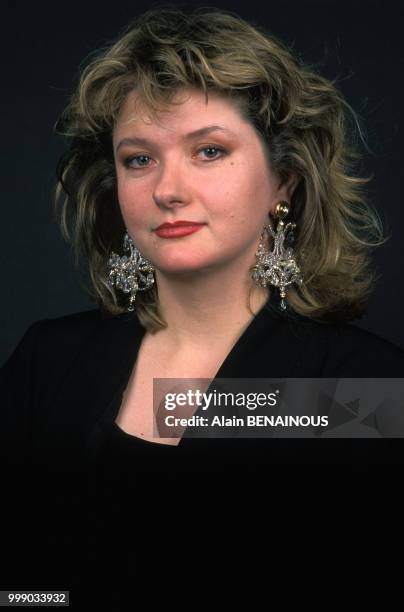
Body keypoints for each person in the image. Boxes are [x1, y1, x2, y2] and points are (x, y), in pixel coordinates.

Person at [1, 5, 404, 607]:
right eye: (139, 159)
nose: (167, 189)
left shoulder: (359, 385)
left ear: (284, 181)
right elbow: (21, 588)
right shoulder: (47, 360)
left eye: (209, 151)